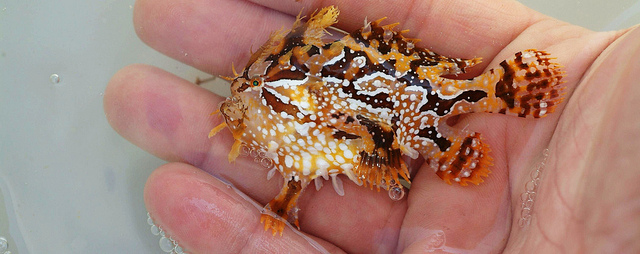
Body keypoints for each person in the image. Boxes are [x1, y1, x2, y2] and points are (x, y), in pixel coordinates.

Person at [104, 0, 640, 253]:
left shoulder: (298, 104)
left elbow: (361, 139)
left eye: (252, 91)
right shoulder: (295, 110)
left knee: (421, 133)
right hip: (396, 120)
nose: (240, 102)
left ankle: (494, 96)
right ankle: (489, 98)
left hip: (407, 114)